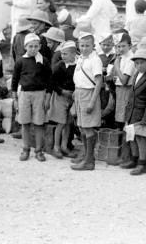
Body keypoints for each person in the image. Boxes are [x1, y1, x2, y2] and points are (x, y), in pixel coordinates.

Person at [12, 33, 52, 161]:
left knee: (39, 123)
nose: (33, 49)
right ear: (25, 46)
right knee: (25, 123)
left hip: (40, 94)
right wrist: (15, 99)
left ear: (40, 46)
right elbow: (14, 80)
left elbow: (49, 80)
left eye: (36, 46)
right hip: (24, 94)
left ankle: (39, 150)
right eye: (30, 46)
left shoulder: (44, 61)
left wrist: (47, 97)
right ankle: (25, 149)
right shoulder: (20, 61)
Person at [70, 33, 104, 171]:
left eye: (87, 46)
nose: (84, 48)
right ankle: (86, 156)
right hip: (79, 93)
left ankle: (89, 162)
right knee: (82, 127)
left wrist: (92, 102)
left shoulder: (95, 60)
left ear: (93, 46)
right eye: (82, 45)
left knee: (88, 128)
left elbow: (99, 82)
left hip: (89, 94)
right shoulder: (81, 59)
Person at [123, 49, 146, 176]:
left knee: (140, 138)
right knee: (131, 136)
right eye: (136, 63)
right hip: (133, 111)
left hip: (142, 113)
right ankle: (134, 158)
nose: (138, 65)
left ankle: (142, 163)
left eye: (142, 63)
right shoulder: (136, 75)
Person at [48, 41, 78, 159]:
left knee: (68, 123)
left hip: (73, 97)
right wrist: (62, 91)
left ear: (73, 54)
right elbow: (52, 82)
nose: (63, 56)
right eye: (62, 54)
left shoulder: (78, 65)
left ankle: (65, 146)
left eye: (65, 54)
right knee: (61, 122)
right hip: (61, 96)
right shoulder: (60, 65)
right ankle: (56, 147)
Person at [112, 33, 135, 131]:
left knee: (123, 116)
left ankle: (124, 143)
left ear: (130, 46)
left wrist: (116, 66)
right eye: (118, 46)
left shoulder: (130, 59)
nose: (121, 49)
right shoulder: (123, 57)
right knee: (120, 115)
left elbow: (124, 80)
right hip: (120, 89)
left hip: (126, 89)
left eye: (123, 46)